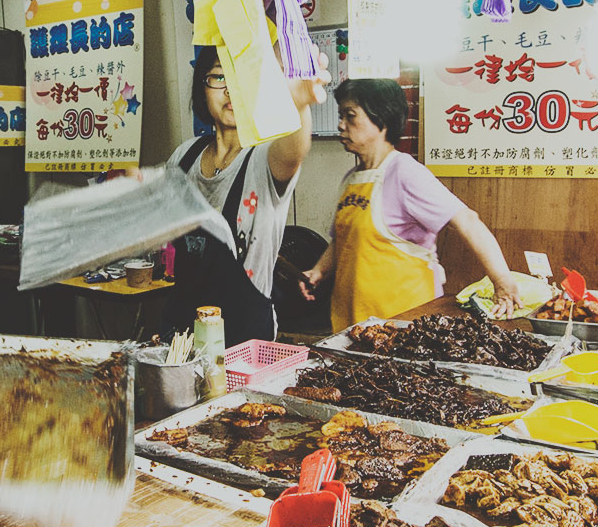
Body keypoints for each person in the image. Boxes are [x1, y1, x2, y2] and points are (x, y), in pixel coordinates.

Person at [300, 78, 520, 332]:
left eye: (350, 116)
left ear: (381, 120)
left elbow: (467, 221)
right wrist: (318, 271)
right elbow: (342, 240)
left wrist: (501, 280)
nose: (341, 125)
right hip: (355, 322)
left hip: (404, 324)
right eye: (341, 116)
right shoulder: (351, 179)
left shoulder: (404, 171)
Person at [165, 44, 327, 346]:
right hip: (183, 330)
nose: (231, 90)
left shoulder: (265, 157)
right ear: (203, 88)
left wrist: (298, 105)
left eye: (244, 78)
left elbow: (294, 152)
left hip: (245, 338)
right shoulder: (183, 157)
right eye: (218, 77)